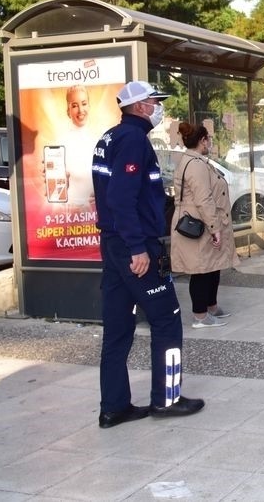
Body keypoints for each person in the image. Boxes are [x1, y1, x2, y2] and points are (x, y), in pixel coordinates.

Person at [91, 80, 204, 428]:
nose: (159, 107)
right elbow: (121, 199)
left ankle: (114, 407)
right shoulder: (133, 140)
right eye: (155, 101)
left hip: (113, 246)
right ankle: (167, 399)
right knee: (167, 318)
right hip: (133, 246)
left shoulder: (109, 137)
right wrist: (138, 248)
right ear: (139, 106)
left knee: (118, 328)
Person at [170, 122, 239, 329]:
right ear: (202, 140)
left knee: (211, 267)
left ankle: (211, 307)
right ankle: (200, 316)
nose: (210, 142)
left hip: (201, 220)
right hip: (199, 223)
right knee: (200, 270)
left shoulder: (194, 161)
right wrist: (214, 227)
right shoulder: (196, 165)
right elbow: (204, 199)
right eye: (208, 139)